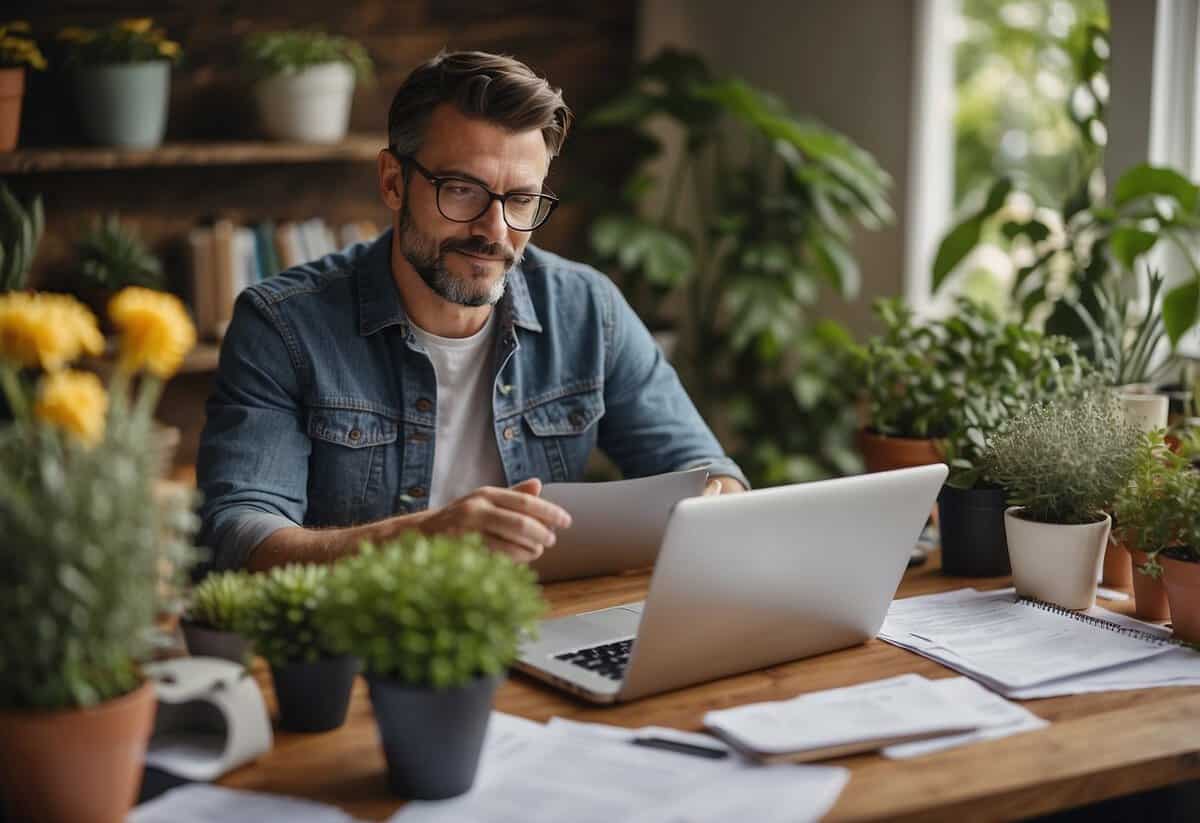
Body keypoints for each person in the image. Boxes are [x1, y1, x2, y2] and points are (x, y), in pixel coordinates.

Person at [197, 50, 747, 573]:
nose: (495, 231)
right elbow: (242, 535)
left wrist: (718, 500)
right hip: (351, 644)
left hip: (537, 622)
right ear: (393, 181)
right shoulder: (282, 325)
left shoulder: (586, 308)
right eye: (462, 190)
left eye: (522, 200)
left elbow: (706, 473)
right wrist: (421, 538)